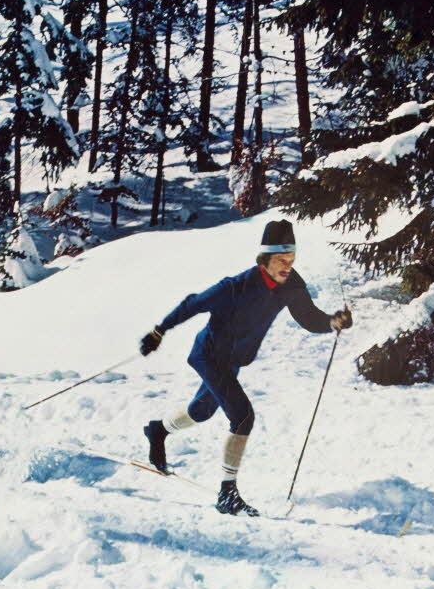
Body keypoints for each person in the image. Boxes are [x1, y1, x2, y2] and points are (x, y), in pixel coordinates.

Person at [139, 220, 351, 516]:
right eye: (281, 260)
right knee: (242, 417)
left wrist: (331, 322)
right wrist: (159, 331)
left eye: (291, 260)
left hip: (232, 361)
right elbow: (193, 304)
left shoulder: (291, 285)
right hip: (209, 356)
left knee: (200, 412)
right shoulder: (236, 287)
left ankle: (158, 431)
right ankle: (228, 495)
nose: (287, 266)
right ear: (264, 260)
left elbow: (309, 317)